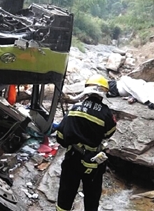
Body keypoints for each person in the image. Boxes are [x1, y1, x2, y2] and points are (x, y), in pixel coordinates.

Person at [55, 74, 117, 211]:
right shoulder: (106, 113)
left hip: (72, 158)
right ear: (103, 94)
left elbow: (60, 136)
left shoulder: (74, 108)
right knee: (92, 195)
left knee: (66, 192)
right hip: (93, 162)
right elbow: (108, 133)